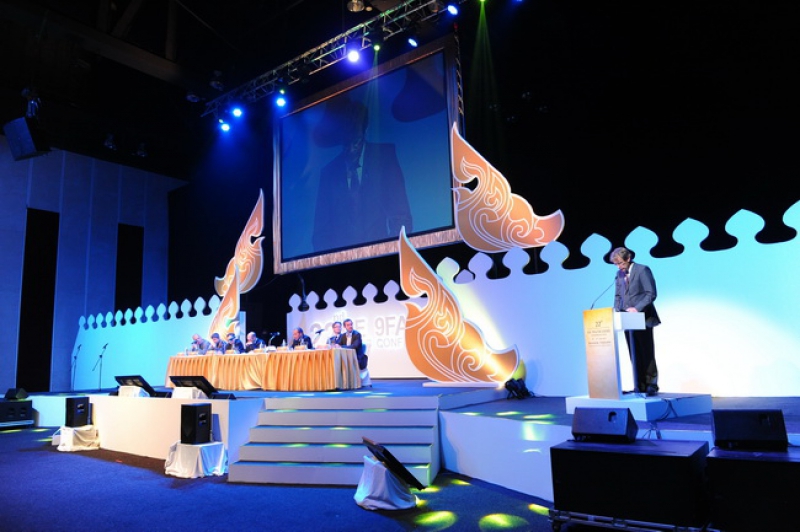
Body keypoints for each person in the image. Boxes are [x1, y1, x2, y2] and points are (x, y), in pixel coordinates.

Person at [312, 98, 412, 252]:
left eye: (356, 142)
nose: (351, 150)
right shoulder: (328, 173)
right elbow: (320, 231)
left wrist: (390, 253)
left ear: (365, 131)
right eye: (346, 143)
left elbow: (401, 215)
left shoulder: (385, 157)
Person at [611, 246, 661, 396]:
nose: (619, 267)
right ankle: (639, 385)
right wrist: (617, 309)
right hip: (627, 320)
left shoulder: (642, 270)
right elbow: (618, 295)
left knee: (646, 352)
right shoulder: (619, 274)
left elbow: (650, 293)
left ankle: (651, 385)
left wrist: (637, 308)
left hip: (643, 318)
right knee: (634, 353)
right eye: (616, 264)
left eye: (620, 263)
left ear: (628, 258)